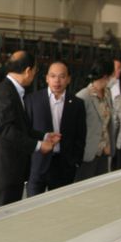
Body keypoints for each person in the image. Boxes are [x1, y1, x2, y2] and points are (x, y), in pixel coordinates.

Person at [0, 51, 57, 207]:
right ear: (28, 71)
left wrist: (44, 136)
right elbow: (6, 130)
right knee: (2, 215)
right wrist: (38, 145)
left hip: (13, 169)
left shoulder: (14, 90)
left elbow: (21, 127)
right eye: (35, 71)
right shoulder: (4, 91)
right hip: (4, 170)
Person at [24, 61, 86, 196]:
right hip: (38, 163)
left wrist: (75, 161)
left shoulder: (77, 103)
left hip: (64, 165)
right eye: (53, 76)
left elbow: (80, 135)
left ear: (68, 79)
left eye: (62, 76)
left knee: (59, 204)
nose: (57, 81)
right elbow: (26, 131)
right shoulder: (32, 100)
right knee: (34, 204)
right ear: (47, 78)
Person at [76, 60, 115, 181]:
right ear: (106, 76)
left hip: (104, 150)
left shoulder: (107, 93)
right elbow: (76, 127)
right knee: (85, 185)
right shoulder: (83, 96)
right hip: (88, 152)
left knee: (101, 185)